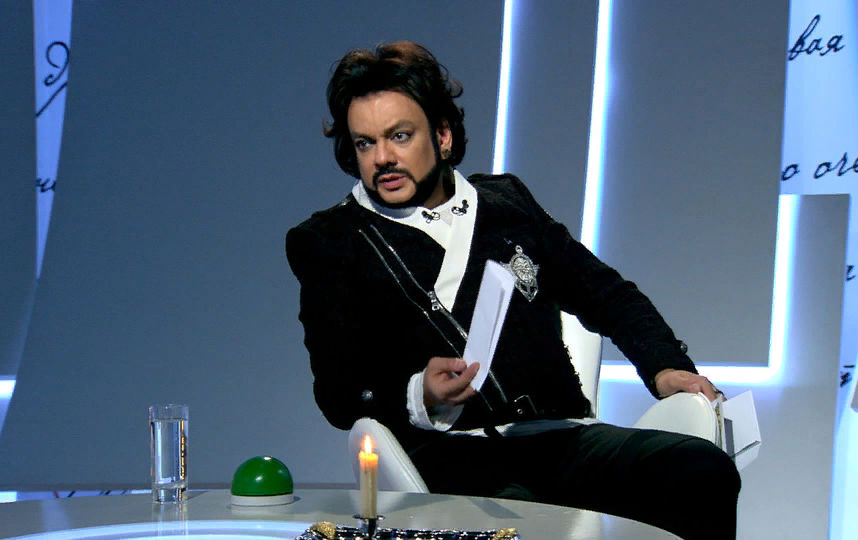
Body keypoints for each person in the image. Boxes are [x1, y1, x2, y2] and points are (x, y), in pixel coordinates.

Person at [286, 41, 740, 540]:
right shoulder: (329, 242)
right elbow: (337, 391)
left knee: (700, 469)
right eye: (365, 143)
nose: (383, 159)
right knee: (522, 518)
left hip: (558, 438)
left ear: (442, 135)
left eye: (399, 136)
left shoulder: (508, 204)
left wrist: (664, 366)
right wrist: (421, 392)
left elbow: (607, 293)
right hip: (450, 458)